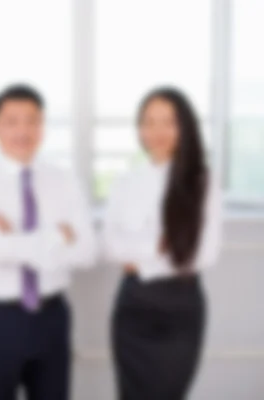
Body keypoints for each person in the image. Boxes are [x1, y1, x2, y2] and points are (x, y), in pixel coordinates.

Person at [0, 84, 97, 400]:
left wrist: (18, 239)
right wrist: (59, 236)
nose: (23, 130)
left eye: (32, 120)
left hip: (52, 316)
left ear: (42, 125)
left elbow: (87, 251)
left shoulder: (64, 181)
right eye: (12, 121)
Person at [103, 87, 223, 400]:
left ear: (185, 126)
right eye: (149, 122)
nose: (157, 131)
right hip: (132, 306)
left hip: (179, 308)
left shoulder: (202, 181)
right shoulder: (125, 182)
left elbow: (204, 255)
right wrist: (158, 247)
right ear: (139, 129)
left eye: (168, 122)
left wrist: (139, 256)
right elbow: (111, 246)